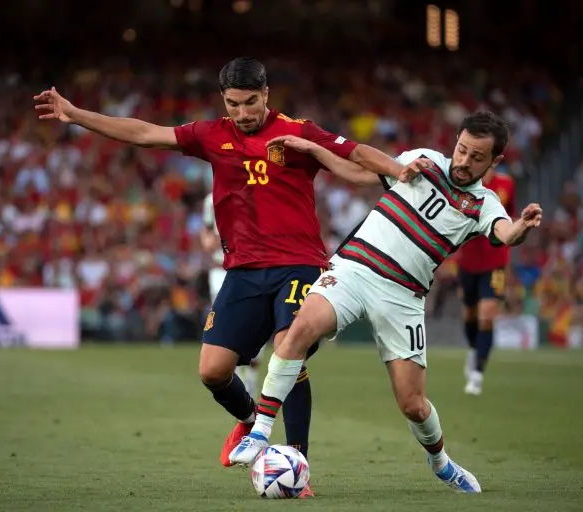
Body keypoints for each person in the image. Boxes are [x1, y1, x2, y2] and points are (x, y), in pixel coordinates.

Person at [34, 57, 412, 498]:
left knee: (288, 351)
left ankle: (297, 463)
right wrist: (76, 115)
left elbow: (357, 154)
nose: (243, 112)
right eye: (234, 104)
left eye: (251, 102)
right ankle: (253, 422)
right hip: (243, 270)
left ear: (266, 95)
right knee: (213, 372)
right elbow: (142, 133)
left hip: (300, 263)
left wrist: (399, 169)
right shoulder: (210, 135)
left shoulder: (299, 131)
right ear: (224, 101)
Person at [229, 111, 543, 494]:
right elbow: (362, 174)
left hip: (403, 297)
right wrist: (312, 148)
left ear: (494, 162)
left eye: (477, 157)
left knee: (413, 404)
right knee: (298, 330)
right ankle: (260, 431)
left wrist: (522, 227)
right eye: (461, 149)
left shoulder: (484, 204)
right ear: (455, 141)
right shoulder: (424, 160)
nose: (464, 161)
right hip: (354, 270)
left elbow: (505, 233)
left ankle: (441, 463)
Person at [456, 168, 517, 395]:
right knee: (470, 315)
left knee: (487, 314)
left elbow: (510, 217)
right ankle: (473, 350)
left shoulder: (507, 184)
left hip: (496, 262)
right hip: (469, 262)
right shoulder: (464, 183)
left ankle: (478, 374)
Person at [200, 192, 261, 399]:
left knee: (254, 320)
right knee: (227, 319)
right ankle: (234, 373)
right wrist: (208, 241)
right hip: (220, 269)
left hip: (248, 268)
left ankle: (250, 369)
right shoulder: (211, 199)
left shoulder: (254, 192)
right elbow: (207, 230)